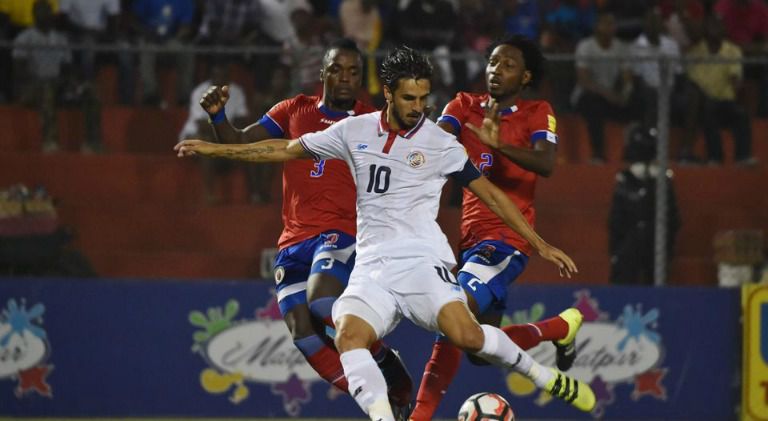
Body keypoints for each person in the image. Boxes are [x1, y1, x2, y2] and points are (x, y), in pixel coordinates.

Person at [176, 45, 596, 421]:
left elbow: (492, 194)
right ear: (390, 94)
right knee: (348, 335)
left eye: (424, 98)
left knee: (467, 336)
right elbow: (282, 149)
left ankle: (545, 377)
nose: (418, 107)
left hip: (422, 262)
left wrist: (540, 243)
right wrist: (215, 147)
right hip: (373, 265)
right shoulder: (353, 130)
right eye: (410, 98)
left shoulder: (439, 143)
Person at [189, 39, 414, 419]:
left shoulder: (374, 121)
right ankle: (381, 402)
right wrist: (217, 118)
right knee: (302, 332)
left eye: (353, 71)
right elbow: (240, 142)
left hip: (342, 233)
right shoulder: (294, 109)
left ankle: (386, 362)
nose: (345, 78)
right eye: (337, 69)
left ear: (362, 77)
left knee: (322, 302)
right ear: (322, 72)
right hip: (293, 241)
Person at [410, 34, 584, 421]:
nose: (496, 70)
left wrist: (499, 143)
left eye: (508, 65)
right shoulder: (464, 105)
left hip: (508, 240)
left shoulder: (538, 111)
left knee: (452, 313)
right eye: (492, 62)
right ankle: (559, 327)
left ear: (525, 77)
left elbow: (546, 163)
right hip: (471, 240)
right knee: (480, 350)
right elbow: (434, 143)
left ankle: (419, 415)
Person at [178, 62, 260, 204]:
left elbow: (242, 120)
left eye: (223, 76)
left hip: (226, 135)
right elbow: (202, 125)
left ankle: (255, 194)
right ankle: (209, 193)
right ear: (212, 77)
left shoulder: (237, 92)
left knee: (251, 140)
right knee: (205, 140)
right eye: (217, 76)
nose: (220, 79)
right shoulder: (200, 91)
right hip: (195, 135)